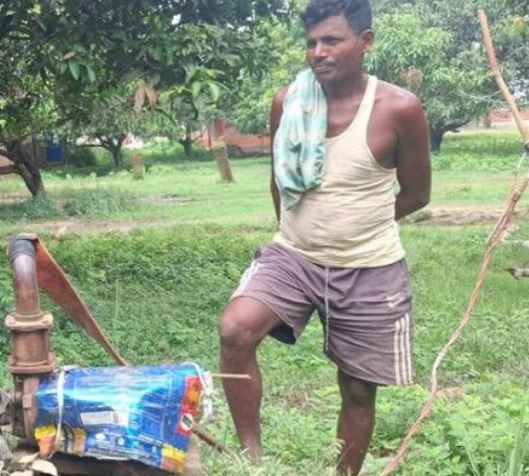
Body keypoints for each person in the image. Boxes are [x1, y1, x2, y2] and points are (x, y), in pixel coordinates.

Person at [218, 0, 431, 474]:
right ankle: (252, 462)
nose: (318, 52)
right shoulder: (288, 102)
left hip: (370, 266)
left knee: (356, 388)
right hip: (294, 256)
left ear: (366, 41)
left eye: (332, 40)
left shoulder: (399, 108)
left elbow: (417, 194)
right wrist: (298, 231)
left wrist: (360, 224)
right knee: (235, 330)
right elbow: (278, 180)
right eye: (312, 42)